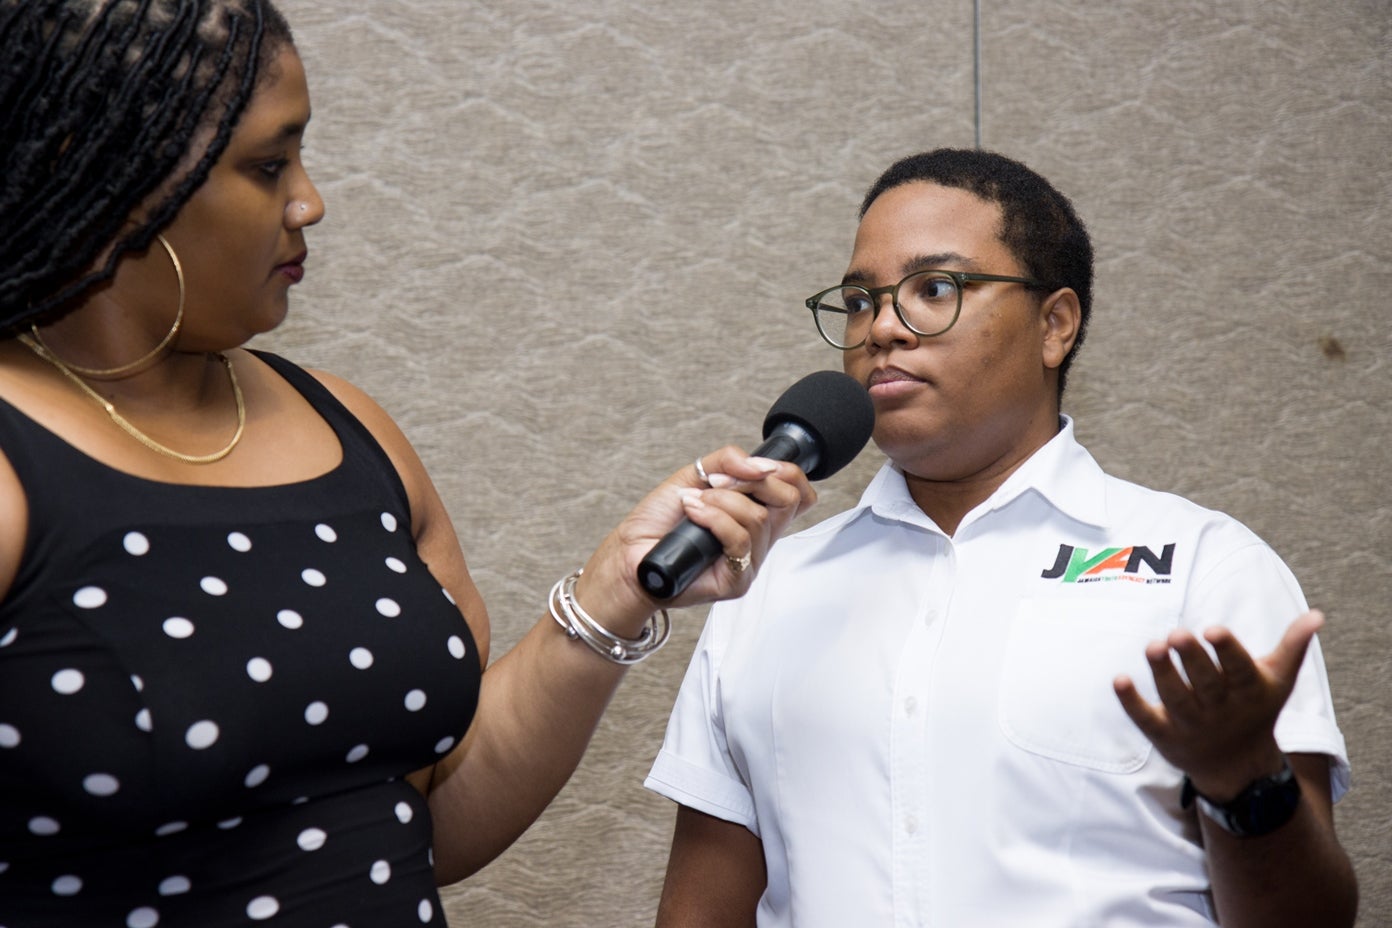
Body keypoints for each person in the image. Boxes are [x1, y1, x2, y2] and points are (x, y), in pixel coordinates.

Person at [0, 2, 815, 925]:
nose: (310, 200)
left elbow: (434, 822)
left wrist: (614, 593)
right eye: (268, 166)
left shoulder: (350, 427)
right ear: (105, 172)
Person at [645, 148, 1358, 927]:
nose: (883, 326)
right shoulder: (768, 584)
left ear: (1054, 325)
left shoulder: (1206, 570)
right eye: (859, 299)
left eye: (935, 289)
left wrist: (1246, 782)